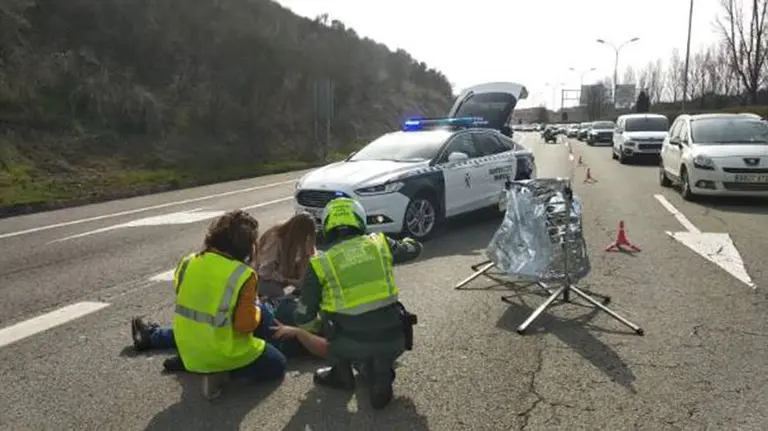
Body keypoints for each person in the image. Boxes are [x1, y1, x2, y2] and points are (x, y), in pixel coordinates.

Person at [130, 210, 286, 397]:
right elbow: (246, 325)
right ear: (246, 245)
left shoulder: (187, 262)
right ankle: (220, 371)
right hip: (221, 351)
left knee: (206, 326)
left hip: (188, 346)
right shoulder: (243, 275)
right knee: (277, 364)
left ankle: (183, 358)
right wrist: (258, 308)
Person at [293, 196, 422, 409]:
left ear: (327, 226)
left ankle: (341, 374)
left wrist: (315, 330)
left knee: (326, 316)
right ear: (359, 220)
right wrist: (407, 240)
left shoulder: (320, 263)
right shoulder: (380, 244)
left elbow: (303, 315)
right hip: (395, 337)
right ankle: (380, 366)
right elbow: (414, 248)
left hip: (347, 343)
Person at [256, 212, 317, 302]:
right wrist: (287, 280)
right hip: (265, 279)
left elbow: (312, 260)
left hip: (287, 277)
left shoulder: (305, 241)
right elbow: (264, 271)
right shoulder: (275, 239)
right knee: (279, 294)